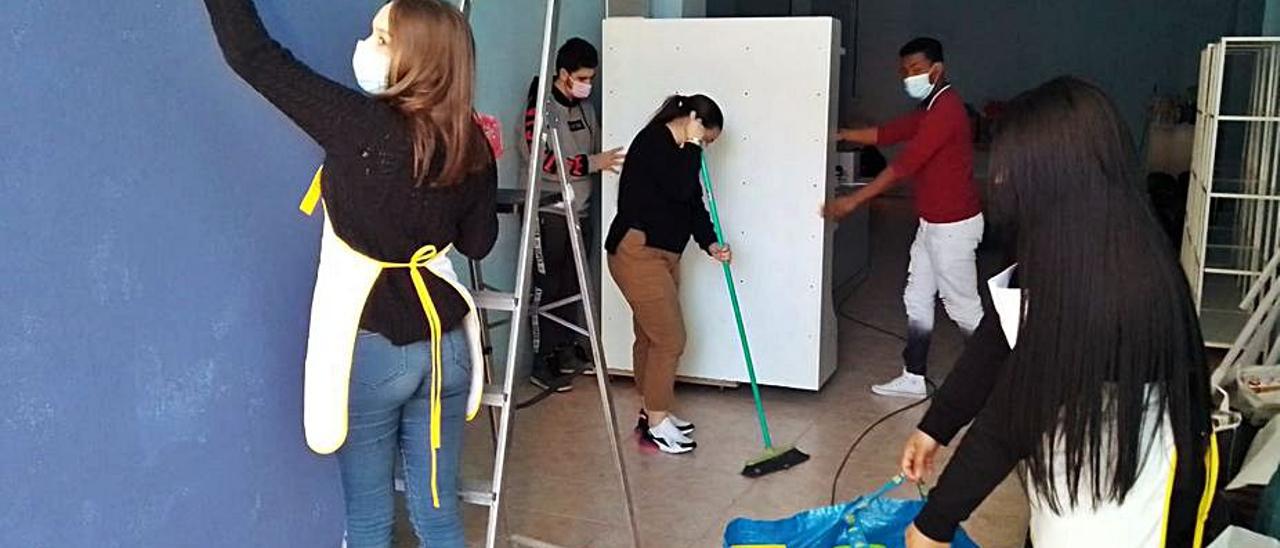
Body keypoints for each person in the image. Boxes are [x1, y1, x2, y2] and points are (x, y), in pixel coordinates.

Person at [203, 1, 497, 546]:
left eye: (381, 37)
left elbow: (253, 55)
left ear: (416, 58)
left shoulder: (359, 125)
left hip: (377, 348)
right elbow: (479, 243)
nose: (366, 45)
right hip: (448, 348)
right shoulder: (472, 141)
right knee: (438, 516)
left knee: (368, 518)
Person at [897, 77, 1215, 547]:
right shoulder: (1064, 248)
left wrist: (934, 524)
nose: (1001, 181)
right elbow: (995, 342)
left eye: (1013, 169)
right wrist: (935, 427)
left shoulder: (1121, 283)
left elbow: (1013, 415)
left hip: (1127, 501)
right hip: (1080, 466)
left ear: (1054, 176)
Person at [825, 37, 984, 398]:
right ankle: (913, 376)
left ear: (937, 70)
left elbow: (904, 165)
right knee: (917, 296)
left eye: (915, 70)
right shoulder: (931, 107)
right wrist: (841, 134)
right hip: (932, 224)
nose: (908, 77)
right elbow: (889, 132)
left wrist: (853, 201)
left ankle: (1000, 378)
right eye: (904, 71)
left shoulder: (947, 110)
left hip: (953, 227)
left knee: (963, 307)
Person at [604, 95, 730, 454]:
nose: (703, 146)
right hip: (637, 253)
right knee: (670, 339)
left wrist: (710, 243)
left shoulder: (684, 154)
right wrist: (692, 146)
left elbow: (691, 202)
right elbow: (677, 185)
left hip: (664, 255)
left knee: (650, 335)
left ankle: (651, 411)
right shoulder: (653, 142)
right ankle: (658, 424)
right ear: (692, 119)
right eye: (705, 137)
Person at [518, 38, 625, 393]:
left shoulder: (585, 109)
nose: (586, 84)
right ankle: (541, 360)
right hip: (548, 214)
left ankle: (565, 350)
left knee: (571, 286)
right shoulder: (541, 107)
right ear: (562, 73)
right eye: (581, 77)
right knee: (545, 288)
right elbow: (541, 160)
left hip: (581, 212)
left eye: (590, 78)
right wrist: (592, 164)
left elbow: (595, 152)